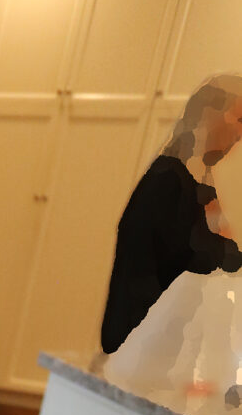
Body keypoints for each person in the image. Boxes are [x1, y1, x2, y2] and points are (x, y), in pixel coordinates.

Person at [100, 73, 242, 353]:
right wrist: (228, 248)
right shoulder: (168, 179)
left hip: (152, 340)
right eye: (239, 120)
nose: (240, 135)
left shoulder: (192, 182)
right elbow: (200, 258)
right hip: (140, 340)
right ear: (210, 115)